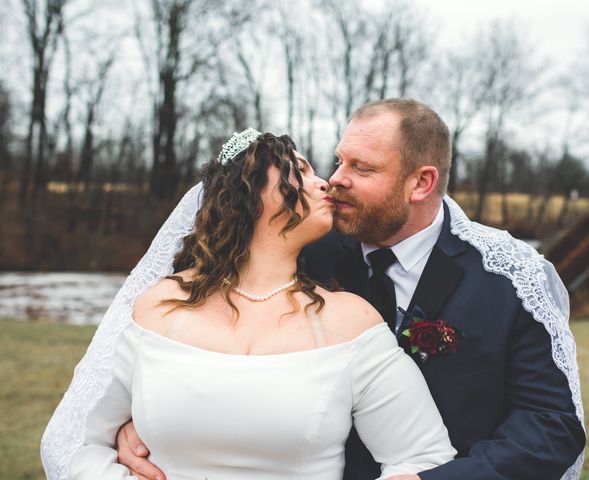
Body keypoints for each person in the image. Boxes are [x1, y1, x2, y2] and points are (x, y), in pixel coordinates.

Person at [116, 99, 586, 480]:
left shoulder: (508, 277)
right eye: (339, 160)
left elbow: (552, 426)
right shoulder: (301, 249)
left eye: (361, 168)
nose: (336, 179)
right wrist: (142, 421)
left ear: (421, 182)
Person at [40, 130, 456, 479]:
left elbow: (422, 457)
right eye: (302, 170)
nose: (324, 182)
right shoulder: (161, 309)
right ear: (248, 193)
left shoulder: (350, 321)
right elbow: (82, 441)